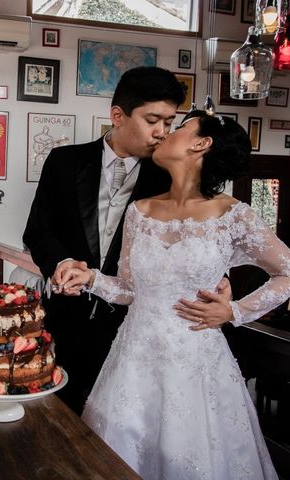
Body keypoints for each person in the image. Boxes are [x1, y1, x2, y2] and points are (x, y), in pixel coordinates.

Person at [58, 108, 283, 479]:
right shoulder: (139, 211)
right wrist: (90, 278)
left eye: (179, 128)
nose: (164, 134)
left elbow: (287, 273)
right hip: (132, 362)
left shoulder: (233, 214)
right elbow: (130, 290)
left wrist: (235, 312)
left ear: (201, 143)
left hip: (196, 364)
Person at [23, 66, 232, 414]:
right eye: (153, 120)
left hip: (131, 330)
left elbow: (206, 234)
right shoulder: (64, 161)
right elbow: (37, 231)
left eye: (169, 122)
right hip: (64, 318)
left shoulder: (170, 175)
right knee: (55, 419)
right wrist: (61, 263)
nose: (162, 133)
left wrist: (224, 283)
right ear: (118, 115)